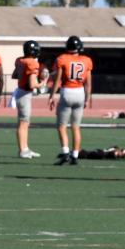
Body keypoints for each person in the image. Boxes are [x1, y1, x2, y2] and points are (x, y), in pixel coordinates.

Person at [49, 36, 93, 165]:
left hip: (67, 91)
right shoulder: (87, 60)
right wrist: (87, 98)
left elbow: (58, 79)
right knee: (76, 127)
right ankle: (75, 155)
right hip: (80, 92)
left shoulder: (62, 59)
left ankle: (65, 152)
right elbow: (88, 83)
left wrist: (52, 95)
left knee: (62, 126)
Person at [10, 39, 42, 159]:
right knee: (23, 123)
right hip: (24, 94)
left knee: (24, 123)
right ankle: (23, 150)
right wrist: (43, 82)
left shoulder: (19, 60)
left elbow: (14, 75)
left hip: (20, 92)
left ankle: (25, 148)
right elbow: (33, 84)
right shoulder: (32, 62)